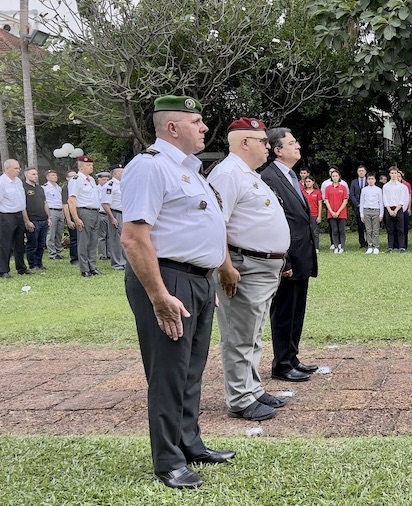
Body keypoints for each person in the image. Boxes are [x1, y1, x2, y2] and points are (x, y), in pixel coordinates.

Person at [120, 95, 233, 489]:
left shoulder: (190, 171)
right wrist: (158, 295)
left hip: (196, 281)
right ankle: (168, 460)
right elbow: (134, 238)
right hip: (168, 280)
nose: (204, 127)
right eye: (197, 121)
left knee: (190, 370)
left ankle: (189, 444)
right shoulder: (150, 167)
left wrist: (207, 279)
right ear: (172, 127)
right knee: (168, 372)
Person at [207, 117, 291, 420]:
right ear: (245, 143)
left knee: (252, 333)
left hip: (261, 266)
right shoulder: (228, 174)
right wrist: (225, 266)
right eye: (262, 142)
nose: (268, 147)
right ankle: (241, 399)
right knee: (239, 334)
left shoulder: (248, 174)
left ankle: (252, 389)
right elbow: (216, 224)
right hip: (244, 266)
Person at [261, 127, 320, 382]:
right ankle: (282, 363)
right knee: (284, 310)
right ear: (278, 150)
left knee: (297, 309)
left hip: (301, 254)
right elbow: (274, 221)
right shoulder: (269, 178)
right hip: (287, 256)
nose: (297, 146)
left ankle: (292, 357)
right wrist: (283, 258)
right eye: (292, 143)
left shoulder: (290, 175)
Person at [68, 155, 103, 277]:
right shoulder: (76, 179)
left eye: (91, 165)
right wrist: (76, 218)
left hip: (95, 211)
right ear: (81, 166)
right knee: (84, 241)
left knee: (93, 241)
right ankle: (84, 269)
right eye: (88, 165)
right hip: (84, 211)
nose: (91, 167)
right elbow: (71, 200)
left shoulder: (91, 179)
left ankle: (92, 266)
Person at [0, 159, 29, 278]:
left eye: (19, 168)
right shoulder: (2, 182)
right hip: (6, 215)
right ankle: (3, 270)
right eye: (15, 168)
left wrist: (25, 218)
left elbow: (21, 200)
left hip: (19, 214)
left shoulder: (18, 181)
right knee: (5, 243)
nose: (18, 170)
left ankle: (21, 267)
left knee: (20, 242)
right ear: (7, 169)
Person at [100, 165, 127, 270]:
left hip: (124, 213)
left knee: (123, 239)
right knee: (116, 238)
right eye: (121, 172)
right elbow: (105, 203)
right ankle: (117, 263)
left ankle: (124, 261)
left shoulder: (122, 184)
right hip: (115, 213)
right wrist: (112, 217)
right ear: (115, 173)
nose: (123, 174)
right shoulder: (110, 185)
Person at [23, 167, 49, 271]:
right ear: (26, 175)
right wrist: (27, 221)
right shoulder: (23, 188)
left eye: (36, 174)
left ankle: (39, 263)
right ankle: (32, 265)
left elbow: (45, 203)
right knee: (32, 244)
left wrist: (49, 217)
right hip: (32, 220)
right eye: (33, 174)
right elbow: (22, 206)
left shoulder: (40, 188)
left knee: (41, 244)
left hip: (43, 219)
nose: (36, 176)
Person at [382, 166, 409, 253]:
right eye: (392, 173)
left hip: (399, 208)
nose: (394, 175)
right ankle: (390, 247)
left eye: (395, 173)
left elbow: (402, 200)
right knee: (390, 229)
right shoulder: (386, 186)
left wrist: (396, 210)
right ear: (389, 174)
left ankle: (401, 247)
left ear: (398, 174)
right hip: (389, 208)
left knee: (400, 228)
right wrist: (389, 210)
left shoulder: (402, 187)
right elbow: (385, 199)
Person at [323, 168, 349, 253]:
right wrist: (331, 211)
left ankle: (342, 246)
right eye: (333, 176)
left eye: (336, 176)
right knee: (334, 230)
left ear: (339, 177)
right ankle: (336, 246)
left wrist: (338, 212)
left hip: (341, 212)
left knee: (341, 230)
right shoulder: (328, 188)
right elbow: (326, 200)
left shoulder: (343, 187)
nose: (334, 177)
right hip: (331, 212)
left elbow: (345, 200)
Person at [43, 169, 65, 260]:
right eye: (52, 175)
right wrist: (48, 215)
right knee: (51, 233)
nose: (55, 177)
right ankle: (52, 253)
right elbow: (45, 202)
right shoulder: (44, 187)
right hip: (52, 210)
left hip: (60, 210)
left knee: (59, 233)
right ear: (47, 177)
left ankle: (59, 252)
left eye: (55, 175)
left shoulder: (59, 187)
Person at [359, 172, 383, 254]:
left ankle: (376, 246)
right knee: (368, 230)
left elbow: (381, 202)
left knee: (375, 230)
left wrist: (381, 214)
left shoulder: (379, 190)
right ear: (367, 180)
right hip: (366, 210)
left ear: (375, 180)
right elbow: (362, 202)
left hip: (376, 210)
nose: (370, 180)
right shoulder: (364, 190)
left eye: (372, 179)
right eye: (369, 179)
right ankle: (369, 246)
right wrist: (361, 214)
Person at [61, 170, 79, 265]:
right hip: (72, 216)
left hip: (80, 214)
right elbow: (65, 205)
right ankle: (74, 258)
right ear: (67, 178)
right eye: (72, 176)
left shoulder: (78, 186)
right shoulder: (66, 188)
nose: (74, 178)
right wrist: (68, 219)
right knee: (74, 238)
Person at [349, 164, 368, 249]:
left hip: (368, 206)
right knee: (360, 226)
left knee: (368, 225)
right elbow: (351, 195)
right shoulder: (354, 182)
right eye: (359, 171)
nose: (361, 172)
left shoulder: (369, 181)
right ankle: (362, 242)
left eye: (362, 171)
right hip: (358, 206)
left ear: (365, 172)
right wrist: (357, 204)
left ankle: (369, 242)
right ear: (357, 172)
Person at [302, 177, 323, 251]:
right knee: (306, 232)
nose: (308, 183)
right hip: (305, 215)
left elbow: (320, 204)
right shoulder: (303, 192)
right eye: (306, 181)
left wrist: (319, 216)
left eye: (309, 181)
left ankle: (315, 247)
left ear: (313, 182)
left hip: (314, 214)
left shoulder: (317, 192)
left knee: (315, 232)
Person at [96, 171, 111, 260]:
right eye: (103, 179)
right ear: (99, 180)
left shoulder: (110, 188)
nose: (105, 181)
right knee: (101, 235)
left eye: (107, 179)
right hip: (100, 213)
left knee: (110, 235)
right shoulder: (95, 189)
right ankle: (102, 254)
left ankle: (109, 253)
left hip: (109, 214)